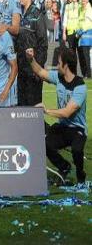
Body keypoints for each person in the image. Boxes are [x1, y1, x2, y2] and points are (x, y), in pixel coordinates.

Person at [26, 47, 87, 185]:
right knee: (43, 143)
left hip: (78, 129)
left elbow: (67, 112)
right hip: (63, 127)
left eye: (59, 63)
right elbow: (40, 72)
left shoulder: (80, 87)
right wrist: (31, 59)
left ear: (66, 66)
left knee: (77, 150)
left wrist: (46, 110)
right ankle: (64, 167)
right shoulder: (59, 78)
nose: (57, 65)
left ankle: (80, 176)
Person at [15, 0, 48, 106]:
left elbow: (43, 44)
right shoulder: (19, 14)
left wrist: (37, 69)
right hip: (21, 70)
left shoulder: (37, 15)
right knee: (21, 107)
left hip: (33, 71)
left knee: (34, 108)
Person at [76, 0, 91, 78]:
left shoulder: (89, 9)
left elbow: (87, 23)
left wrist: (80, 31)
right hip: (82, 37)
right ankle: (85, 74)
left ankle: (89, 74)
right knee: (83, 56)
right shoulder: (81, 9)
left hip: (87, 35)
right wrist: (77, 30)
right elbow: (79, 21)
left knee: (87, 56)